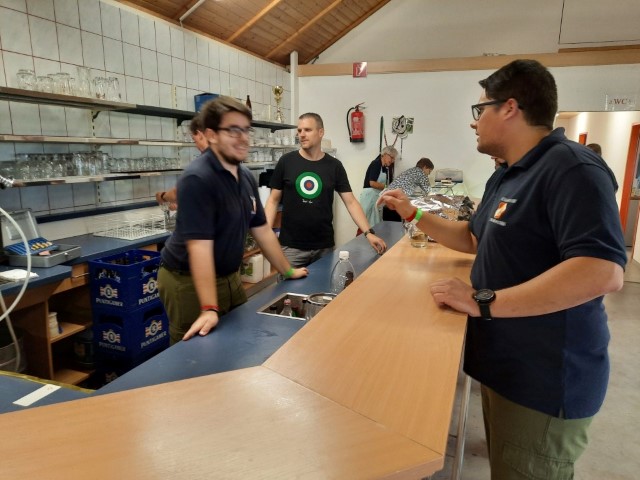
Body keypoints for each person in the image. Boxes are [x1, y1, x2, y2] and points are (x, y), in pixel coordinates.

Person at [379, 59, 626, 479]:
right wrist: (413, 213)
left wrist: (482, 300)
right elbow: (473, 239)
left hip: (544, 381)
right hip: (506, 368)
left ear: (510, 108)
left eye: (480, 110)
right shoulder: (508, 173)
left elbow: (601, 270)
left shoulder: (572, 168)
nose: (474, 122)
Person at [158, 96, 308, 344]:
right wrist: (208, 307)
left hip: (229, 276)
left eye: (246, 130)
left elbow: (261, 229)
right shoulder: (198, 179)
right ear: (211, 135)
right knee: (197, 351)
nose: (243, 138)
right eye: (233, 130)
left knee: (240, 338)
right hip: (187, 280)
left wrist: (287, 270)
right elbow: (199, 248)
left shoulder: (245, 175)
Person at [265, 113, 387, 268]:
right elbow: (273, 200)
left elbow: (351, 202)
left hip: (324, 247)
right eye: (299, 130)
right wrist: (265, 234)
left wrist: (368, 233)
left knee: (322, 284)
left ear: (321, 132)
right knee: (288, 285)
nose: (302, 134)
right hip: (291, 248)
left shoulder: (334, 166)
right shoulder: (286, 162)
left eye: (307, 130)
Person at [155, 113, 209, 208]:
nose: (196, 146)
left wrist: (163, 196)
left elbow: (178, 193)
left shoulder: (205, 162)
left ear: (200, 135)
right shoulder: (225, 157)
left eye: (195, 140)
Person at [381, 157, 434, 222]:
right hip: (396, 202)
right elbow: (428, 190)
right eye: (429, 171)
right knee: (397, 226)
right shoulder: (421, 173)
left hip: (387, 199)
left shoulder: (410, 171)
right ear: (425, 167)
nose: (429, 174)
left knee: (389, 225)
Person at [359, 146, 398, 226]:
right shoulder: (376, 163)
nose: (393, 161)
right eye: (392, 158)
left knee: (375, 224)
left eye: (394, 159)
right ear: (385, 154)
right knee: (366, 225)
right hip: (369, 198)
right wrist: (387, 188)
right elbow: (372, 183)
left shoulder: (385, 168)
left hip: (376, 198)